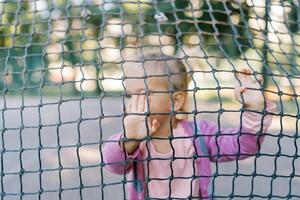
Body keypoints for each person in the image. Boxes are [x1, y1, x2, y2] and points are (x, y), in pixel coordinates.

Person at [102, 53, 277, 199]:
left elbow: (242, 146)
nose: (133, 103)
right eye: (129, 95)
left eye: (143, 94)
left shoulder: (199, 134)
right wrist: (130, 139)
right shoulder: (134, 139)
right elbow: (113, 165)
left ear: (175, 100)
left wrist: (254, 110)